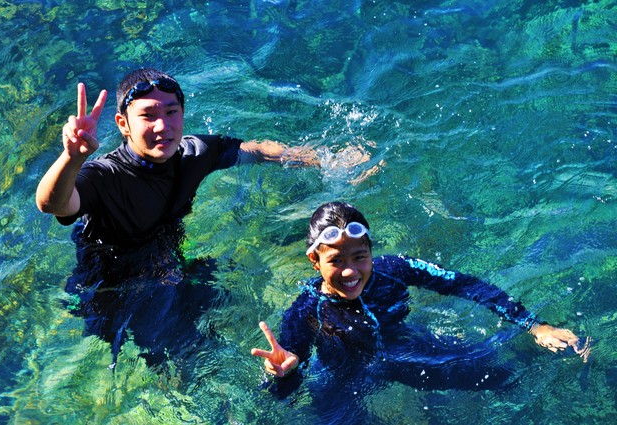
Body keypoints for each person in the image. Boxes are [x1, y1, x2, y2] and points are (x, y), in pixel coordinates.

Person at [35, 68, 318, 366]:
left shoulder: (193, 154)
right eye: (147, 116)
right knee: (179, 357)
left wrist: (323, 159)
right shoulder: (105, 175)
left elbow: (255, 151)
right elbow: (53, 204)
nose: (162, 126)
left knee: (232, 293)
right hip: (113, 289)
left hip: (167, 264)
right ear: (123, 124)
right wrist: (72, 158)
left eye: (171, 112)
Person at [251, 202, 590, 420]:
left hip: (406, 350)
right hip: (344, 376)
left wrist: (534, 325)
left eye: (359, 257)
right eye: (336, 260)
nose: (350, 271)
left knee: (503, 376)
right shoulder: (306, 310)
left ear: (371, 251)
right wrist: (282, 376)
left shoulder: (394, 270)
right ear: (315, 261)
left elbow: (464, 284)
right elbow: (285, 384)